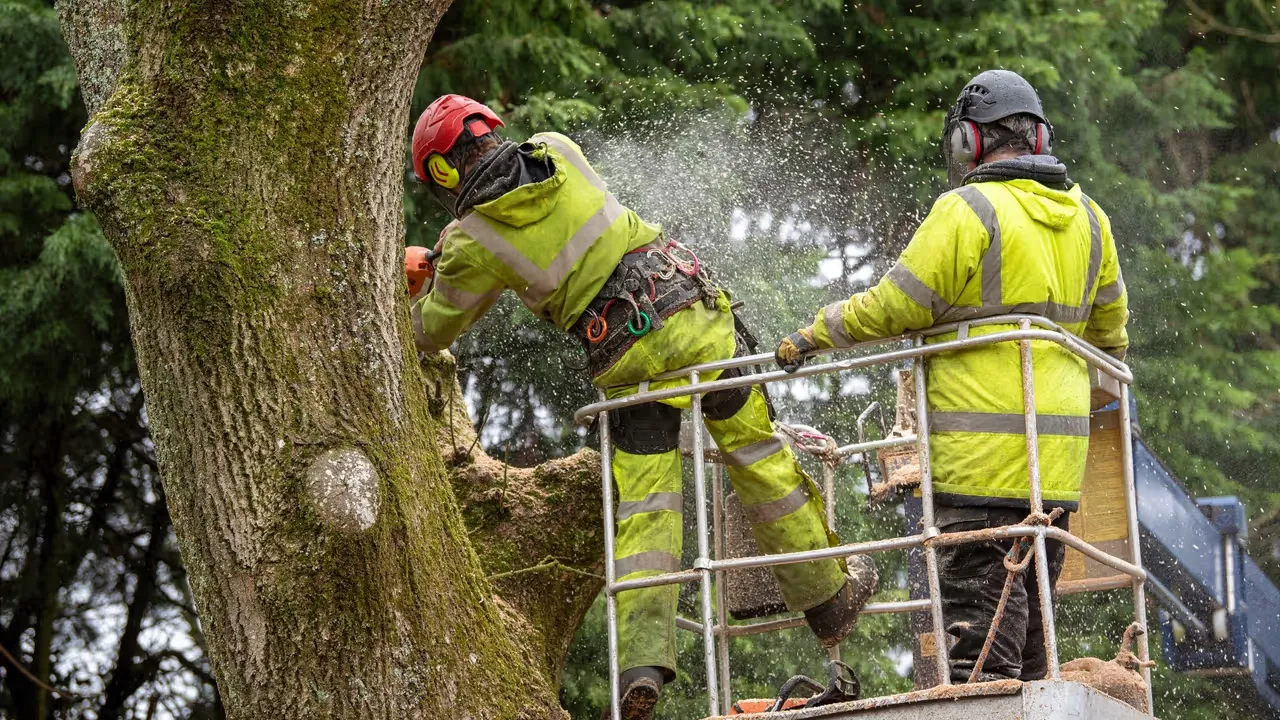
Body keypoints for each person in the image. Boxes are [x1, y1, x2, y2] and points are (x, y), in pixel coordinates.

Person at [405, 94, 877, 719]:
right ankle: (827, 598)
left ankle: (643, 665)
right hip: (694, 319)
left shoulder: (472, 242)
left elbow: (430, 330)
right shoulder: (558, 150)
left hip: (625, 358)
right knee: (760, 458)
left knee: (646, 510)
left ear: (441, 174)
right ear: (491, 130)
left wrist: (424, 278)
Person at [776, 70, 1129, 683]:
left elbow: (894, 307)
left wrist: (814, 333)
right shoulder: (1092, 221)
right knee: (1029, 649)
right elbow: (1112, 341)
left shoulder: (967, 210)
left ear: (969, 142)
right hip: (1055, 477)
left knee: (980, 665)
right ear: (1041, 137)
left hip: (976, 474)